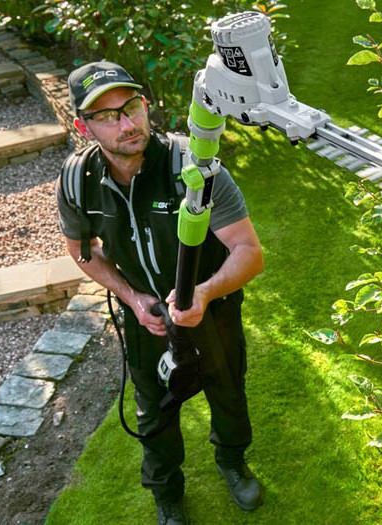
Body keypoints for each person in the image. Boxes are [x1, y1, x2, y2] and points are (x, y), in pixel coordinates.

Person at [55, 61, 265, 525]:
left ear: (145, 104)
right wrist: (132, 298)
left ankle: (232, 461)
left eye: (130, 107)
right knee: (153, 407)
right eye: (108, 116)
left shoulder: (194, 167)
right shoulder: (77, 181)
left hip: (212, 306)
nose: (126, 123)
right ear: (82, 125)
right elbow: (82, 251)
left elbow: (249, 252)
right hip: (144, 314)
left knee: (227, 388)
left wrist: (205, 294)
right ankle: (167, 493)